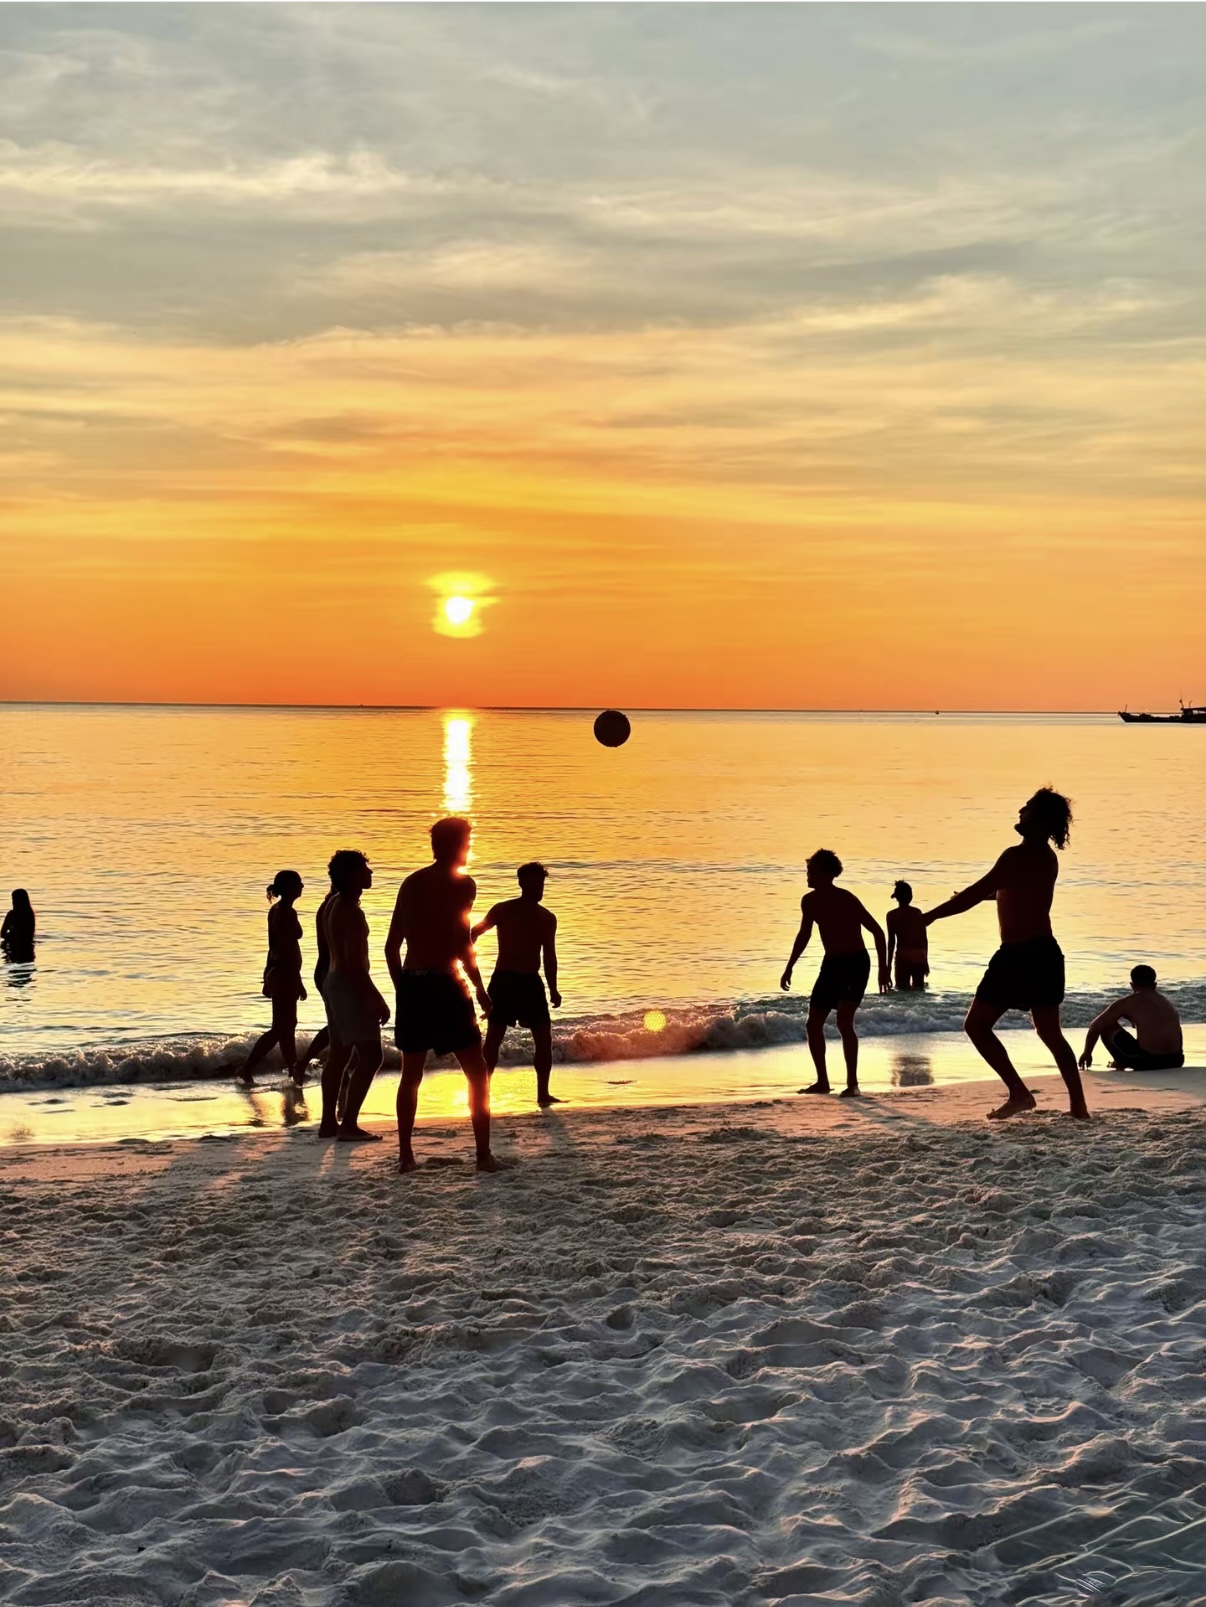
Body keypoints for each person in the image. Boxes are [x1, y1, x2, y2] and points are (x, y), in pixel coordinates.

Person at [923, 787, 1089, 1121]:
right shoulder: (1046, 857)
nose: (1020, 811)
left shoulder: (1015, 855)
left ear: (1040, 820)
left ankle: (1019, 1093)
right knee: (1049, 1033)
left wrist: (929, 916)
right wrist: (992, 895)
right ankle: (1078, 1107)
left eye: (1027, 809)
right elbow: (1019, 892)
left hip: (1017, 956)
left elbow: (975, 892)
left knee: (976, 1026)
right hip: (1045, 953)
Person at [384, 817, 499, 1173]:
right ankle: (483, 1157)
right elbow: (461, 945)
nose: (469, 847)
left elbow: (392, 947)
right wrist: (480, 988)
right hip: (446, 983)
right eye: (467, 840)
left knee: (411, 1073)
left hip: (414, 982)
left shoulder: (410, 882)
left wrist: (403, 989)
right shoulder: (463, 885)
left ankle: (406, 1156)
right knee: (476, 1072)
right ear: (456, 845)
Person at [780, 849, 890, 1098]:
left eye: (811, 872)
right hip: (831, 964)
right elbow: (804, 935)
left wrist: (884, 969)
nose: (807, 876)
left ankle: (853, 1083)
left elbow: (877, 932)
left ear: (825, 873)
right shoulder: (808, 901)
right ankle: (822, 1081)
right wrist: (790, 966)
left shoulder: (847, 899)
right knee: (813, 1024)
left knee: (844, 1021)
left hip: (855, 963)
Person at [472, 862, 562, 1107]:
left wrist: (553, 988)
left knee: (544, 1038)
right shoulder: (503, 910)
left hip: (532, 982)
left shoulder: (547, 918)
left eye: (541, 883)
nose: (538, 888)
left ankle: (543, 1094)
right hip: (505, 980)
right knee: (494, 1038)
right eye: (534, 883)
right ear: (522, 883)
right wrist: (468, 962)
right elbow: (475, 932)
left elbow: (549, 956)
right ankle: (482, 1094)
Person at [318, 849, 390, 1142]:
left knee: (339, 1054)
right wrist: (376, 998)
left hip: (333, 983)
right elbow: (352, 964)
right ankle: (348, 1123)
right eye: (365, 869)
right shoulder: (349, 910)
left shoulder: (332, 903)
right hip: (347, 986)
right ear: (351, 875)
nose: (370, 874)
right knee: (372, 1056)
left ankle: (327, 1123)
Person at [238, 871, 307, 1087]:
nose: (303, 886)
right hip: (285, 974)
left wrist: (267, 975)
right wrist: (297, 981)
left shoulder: (275, 910)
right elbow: (284, 951)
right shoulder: (286, 912)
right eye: (298, 883)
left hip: (278, 972)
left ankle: (293, 1070)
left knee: (287, 1026)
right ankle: (247, 1068)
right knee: (280, 1028)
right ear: (288, 888)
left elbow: (272, 946)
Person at [1079, 966, 1184, 1072]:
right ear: (1155, 985)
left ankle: (1119, 1061)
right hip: (1176, 1060)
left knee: (1107, 1026)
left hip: (1149, 1062)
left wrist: (1087, 1053)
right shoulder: (1167, 1003)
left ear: (1132, 985)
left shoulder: (1128, 1002)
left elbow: (1096, 1026)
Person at [886, 880, 929, 990]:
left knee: (901, 989)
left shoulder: (891, 916)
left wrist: (888, 966)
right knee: (919, 990)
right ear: (911, 896)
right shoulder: (917, 912)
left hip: (903, 955)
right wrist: (926, 960)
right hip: (919, 955)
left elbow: (891, 942)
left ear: (896, 898)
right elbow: (924, 939)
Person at [1, 889, 35, 963]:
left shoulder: (12, 915)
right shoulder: (30, 914)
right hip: (28, 945)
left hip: (12, 944)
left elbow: (3, 934)